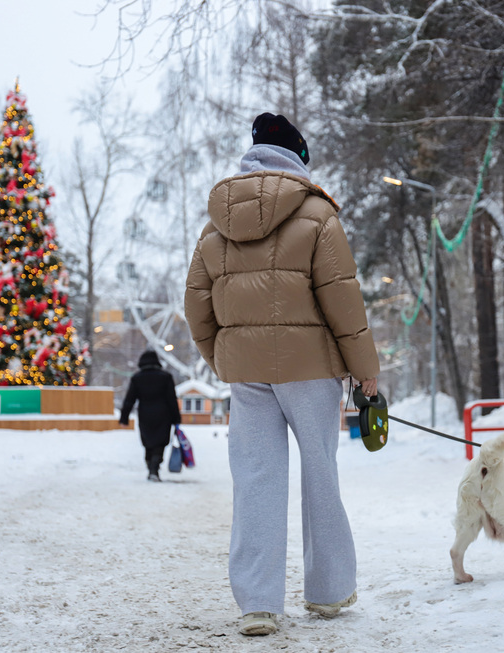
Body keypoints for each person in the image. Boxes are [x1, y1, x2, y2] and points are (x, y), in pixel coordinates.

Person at [184, 112, 380, 636]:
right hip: (311, 371)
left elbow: (197, 308)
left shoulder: (216, 223)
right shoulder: (317, 214)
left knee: (256, 481)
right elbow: (343, 300)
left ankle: (258, 604)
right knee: (321, 475)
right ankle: (330, 592)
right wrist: (365, 372)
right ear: (297, 158)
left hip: (246, 375)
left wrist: (225, 357)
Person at [119, 349, 182, 482]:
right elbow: (172, 399)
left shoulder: (137, 378)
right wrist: (176, 418)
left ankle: (151, 467)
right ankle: (154, 468)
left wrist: (124, 417)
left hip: (145, 414)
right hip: (163, 415)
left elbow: (130, 399)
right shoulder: (165, 377)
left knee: (148, 442)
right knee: (160, 443)